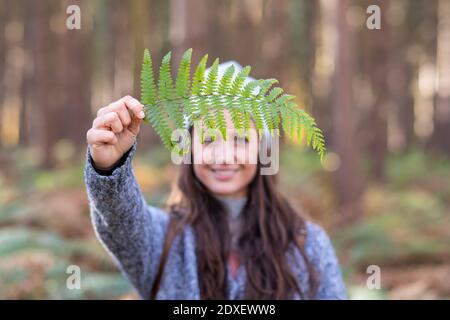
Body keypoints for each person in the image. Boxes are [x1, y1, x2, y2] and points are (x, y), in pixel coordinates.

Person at [84, 62, 347, 300]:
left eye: (241, 139)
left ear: (263, 149)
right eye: (209, 138)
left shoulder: (308, 246)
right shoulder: (162, 239)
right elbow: (119, 222)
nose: (223, 156)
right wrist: (109, 166)